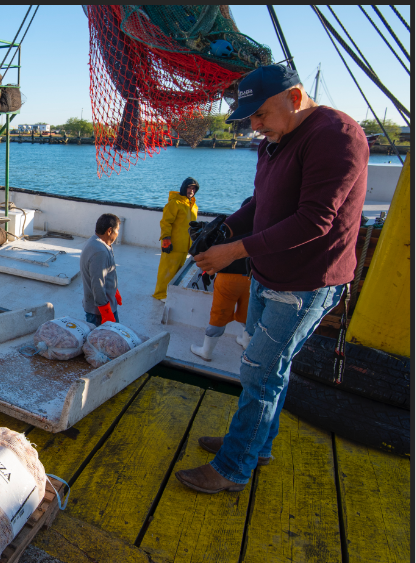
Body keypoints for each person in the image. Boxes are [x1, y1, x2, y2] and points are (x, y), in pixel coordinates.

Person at [175, 64, 368, 494]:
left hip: (304, 284)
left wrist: (233, 251)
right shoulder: (276, 139)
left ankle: (232, 468)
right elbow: (262, 201)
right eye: (250, 119)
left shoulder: (337, 137)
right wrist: (225, 229)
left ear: (295, 98)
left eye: (259, 115)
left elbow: (314, 222)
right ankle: (256, 445)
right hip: (269, 274)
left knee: (260, 373)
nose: (254, 127)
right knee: (268, 371)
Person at [190, 197, 254, 361]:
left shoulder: (227, 232)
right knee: (248, 313)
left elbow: (208, 252)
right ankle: (246, 341)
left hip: (227, 280)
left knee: (219, 314)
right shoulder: (261, 234)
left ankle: (206, 351)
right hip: (251, 280)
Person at [152, 177, 199, 300]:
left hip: (185, 246)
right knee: (167, 270)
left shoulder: (194, 206)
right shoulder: (174, 203)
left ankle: (171, 293)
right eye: (189, 187)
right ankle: (160, 294)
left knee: (178, 271)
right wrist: (166, 240)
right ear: (184, 187)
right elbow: (165, 223)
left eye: (194, 188)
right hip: (173, 244)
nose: (191, 191)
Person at [81, 213, 122, 326]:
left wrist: (114, 290)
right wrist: (106, 312)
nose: (118, 234)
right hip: (99, 312)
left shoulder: (95, 242)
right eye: (117, 230)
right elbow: (97, 284)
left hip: (104, 304)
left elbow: (105, 273)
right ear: (109, 231)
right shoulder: (99, 252)